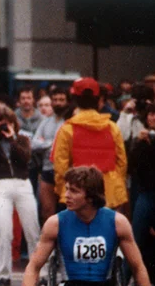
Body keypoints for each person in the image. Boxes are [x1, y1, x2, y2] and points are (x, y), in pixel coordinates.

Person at [19, 166, 155, 286]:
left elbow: (138, 267)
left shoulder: (118, 222)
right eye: (67, 189)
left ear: (90, 196)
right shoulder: (55, 223)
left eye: (73, 191)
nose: (66, 195)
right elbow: (33, 267)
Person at [0, 109, 39, 286]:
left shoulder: (22, 139)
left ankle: (39, 271)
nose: (5, 127)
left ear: (15, 124)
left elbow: (25, 158)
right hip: (2, 184)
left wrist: (12, 138)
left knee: (32, 229)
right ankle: (4, 274)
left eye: (9, 123)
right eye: (2, 123)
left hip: (22, 184)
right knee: (3, 230)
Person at [52, 77, 128, 211]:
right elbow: (122, 162)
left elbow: (60, 166)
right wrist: (117, 186)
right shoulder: (112, 127)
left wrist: (64, 191)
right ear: (99, 100)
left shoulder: (67, 129)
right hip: (109, 193)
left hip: (78, 194)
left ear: (75, 100)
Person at [129, 102, 155, 268]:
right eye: (151, 115)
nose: (154, 118)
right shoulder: (140, 139)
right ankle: (125, 275)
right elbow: (131, 164)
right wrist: (139, 143)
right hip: (146, 192)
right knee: (135, 235)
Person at [31, 87, 68, 222]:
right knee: (46, 211)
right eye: (55, 100)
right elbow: (34, 143)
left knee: (65, 210)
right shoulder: (46, 121)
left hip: (66, 171)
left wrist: (45, 143)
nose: (58, 103)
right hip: (47, 169)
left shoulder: (69, 121)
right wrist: (52, 143)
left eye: (61, 100)